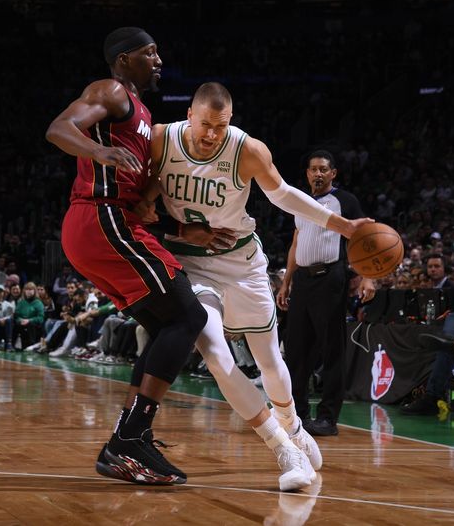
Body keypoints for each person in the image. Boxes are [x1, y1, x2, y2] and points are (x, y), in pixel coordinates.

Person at [141, 85, 372, 488]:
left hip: (243, 262)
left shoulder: (247, 149)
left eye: (221, 125)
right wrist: (172, 226)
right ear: (189, 114)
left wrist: (343, 225)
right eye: (206, 124)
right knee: (215, 354)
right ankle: (283, 449)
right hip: (192, 265)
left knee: (269, 360)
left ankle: (293, 425)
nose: (212, 134)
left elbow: (283, 195)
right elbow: (142, 202)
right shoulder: (162, 139)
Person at [45, 27, 207, 485]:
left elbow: (140, 205)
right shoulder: (111, 91)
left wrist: (181, 230)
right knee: (188, 316)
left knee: (165, 326)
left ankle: (127, 439)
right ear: (123, 59)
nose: (159, 59)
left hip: (111, 224)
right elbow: (58, 128)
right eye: (149, 52)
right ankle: (129, 439)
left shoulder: (141, 112)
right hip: (100, 219)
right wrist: (99, 150)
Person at [275, 149, 375, 436]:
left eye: (323, 169)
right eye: (313, 169)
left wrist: (367, 277)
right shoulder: (300, 202)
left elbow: (364, 237)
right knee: (295, 351)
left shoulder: (345, 201)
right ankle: (299, 415)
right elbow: (296, 242)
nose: (317, 173)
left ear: (333, 174)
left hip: (331, 277)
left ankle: (328, 418)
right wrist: (287, 281)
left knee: (332, 350)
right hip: (303, 281)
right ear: (307, 173)